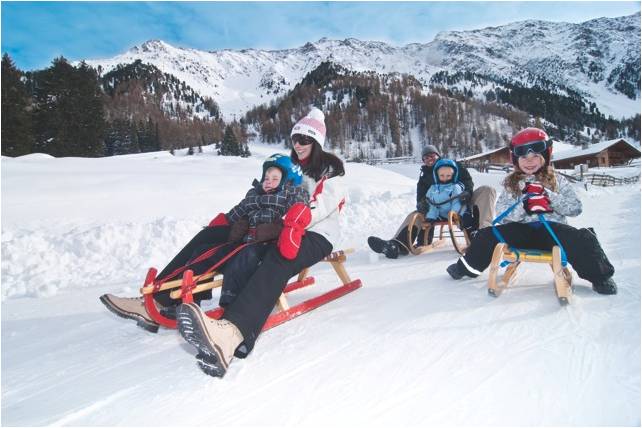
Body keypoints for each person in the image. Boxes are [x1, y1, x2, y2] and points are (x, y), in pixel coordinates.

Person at [176, 107, 348, 377]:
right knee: (215, 236)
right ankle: (161, 296)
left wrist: (294, 219)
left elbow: (320, 206)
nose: (299, 144)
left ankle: (233, 332)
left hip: (316, 234)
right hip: (280, 227)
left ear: (317, 143)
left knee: (278, 258)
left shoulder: (331, 172)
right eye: (295, 139)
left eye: (305, 139)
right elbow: (271, 192)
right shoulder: (290, 168)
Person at [99, 153, 306, 331]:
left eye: (275, 178)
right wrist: (221, 224)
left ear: (286, 182)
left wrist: (278, 228)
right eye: (266, 177)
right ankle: (174, 300)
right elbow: (235, 213)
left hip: (259, 247)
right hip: (242, 240)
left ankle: (222, 306)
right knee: (203, 251)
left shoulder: (288, 195)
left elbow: (297, 213)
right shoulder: (253, 196)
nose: (268, 181)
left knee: (228, 258)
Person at [446, 127, 617, 296]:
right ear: (515, 159)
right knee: (486, 235)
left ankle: (600, 277)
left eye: (535, 156)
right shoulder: (512, 184)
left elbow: (575, 208)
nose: (529, 161)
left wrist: (548, 197)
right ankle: (467, 268)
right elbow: (502, 211)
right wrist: (523, 206)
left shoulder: (558, 180)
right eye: (523, 157)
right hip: (521, 231)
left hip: (552, 231)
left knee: (583, 238)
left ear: (546, 156)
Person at [367, 145, 496, 259]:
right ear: (423, 161)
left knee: (487, 190)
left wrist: (467, 192)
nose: (429, 159)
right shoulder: (425, 178)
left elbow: (468, 180)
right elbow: (421, 198)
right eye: (426, 158)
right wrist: (422, 205)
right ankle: (397, 245)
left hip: (461, 203)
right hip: (437, 209)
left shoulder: (454, 165)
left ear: (437, 155)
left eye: (432, 156)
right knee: (415, 214)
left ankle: (485, 235)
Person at [425, 158, 474, 231]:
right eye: (442, 175)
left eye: (448, 175)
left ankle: (470, 231)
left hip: (456, 212)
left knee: (466, 217)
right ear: (437, 175)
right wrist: (431, 216)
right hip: (441, 215)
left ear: (453, 175)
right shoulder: (433, 188)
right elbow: (432, 204)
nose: (445, 178)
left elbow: (456, 202)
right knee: (428, 216)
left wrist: (454, 214)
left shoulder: (455, 187)